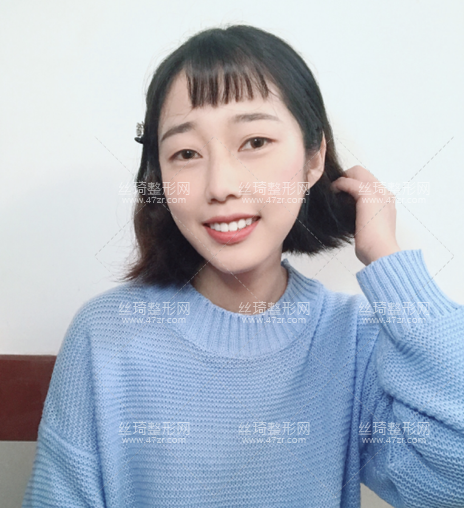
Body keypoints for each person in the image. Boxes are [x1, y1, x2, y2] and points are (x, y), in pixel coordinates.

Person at [22, 24, 464, 507]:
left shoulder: (354, 341)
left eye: (254, 141)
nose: (220, 185)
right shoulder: (105, 335)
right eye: (186, 153)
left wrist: (388, 257)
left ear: (314, 157)